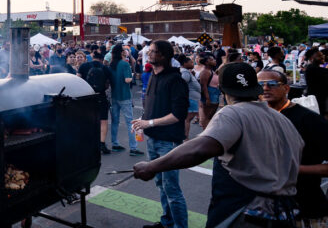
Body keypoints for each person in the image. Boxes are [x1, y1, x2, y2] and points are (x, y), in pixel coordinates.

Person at [134, 62, 302, 227]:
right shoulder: (282, 120)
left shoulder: (232, 113)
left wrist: (152, 166)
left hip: (248, 213)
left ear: (222, 89)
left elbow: (200, 149)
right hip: (285, 213)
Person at [131, 40, 188, 228]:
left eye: (153, 52)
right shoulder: (153, 76)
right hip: (153, 138)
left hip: (168, 142)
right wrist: (142, 121)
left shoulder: (176, 80)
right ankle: (167, 222)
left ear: (163, 55)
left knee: (172, 189)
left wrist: (150, 122)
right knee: (161, 185)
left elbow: (178, 115)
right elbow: (151, 107)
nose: (149, 54)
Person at [258, 69, 328, 225]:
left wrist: (296, 169)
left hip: (305, 206)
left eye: (272, 84)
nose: (265, 88)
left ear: (286, 88)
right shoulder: (255, 117)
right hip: (264, 209)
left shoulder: (310, 120)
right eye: (260, 84)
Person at [109, 44, 143, 156]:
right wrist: (133, 75)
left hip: (114, 95)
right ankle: (133, 148)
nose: (126, 50)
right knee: (130, 122)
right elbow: (128, 80)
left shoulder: (112, 64)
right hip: (125, 95)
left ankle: (115, 143)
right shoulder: (124, 64)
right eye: (124, 49)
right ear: (121, 52)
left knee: (115, 121)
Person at [79, 51, 114, 154]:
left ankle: (89, 143)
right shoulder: (105, 68)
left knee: (88, 120)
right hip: (101, 97)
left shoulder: (83, 66)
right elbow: (109, 83)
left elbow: (78, 79)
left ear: (92, 57)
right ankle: (102, 143)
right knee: (103, 121)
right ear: (102, 59)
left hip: (87, 97)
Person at [178, 55, 201, 139]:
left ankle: (184, 137)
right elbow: (182, 83)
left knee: (187, 119)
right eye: (191, 62)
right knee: (187, 119)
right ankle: (185, 138)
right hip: (190, 98)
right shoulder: (185, 72)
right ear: (185, 63)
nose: (193, 63)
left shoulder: (187, 71)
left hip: (192, 98)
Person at [196, 55, 219, 129]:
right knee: (206, 117)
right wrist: (207, 98)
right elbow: (204, 86)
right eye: (212, 60)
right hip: (209, 95)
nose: (214, 61)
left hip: (214, 95)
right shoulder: (205, 72)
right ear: (206, 62)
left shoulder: (211, 70)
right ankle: (205, 132)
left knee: (210, 117)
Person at [304, 48, 328, 118]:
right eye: (319, 56)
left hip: (319, 99)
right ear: (311, 58)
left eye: (322, 55)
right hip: (316, 100)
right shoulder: (312, 68)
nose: (322, 57)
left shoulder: (315, 68)